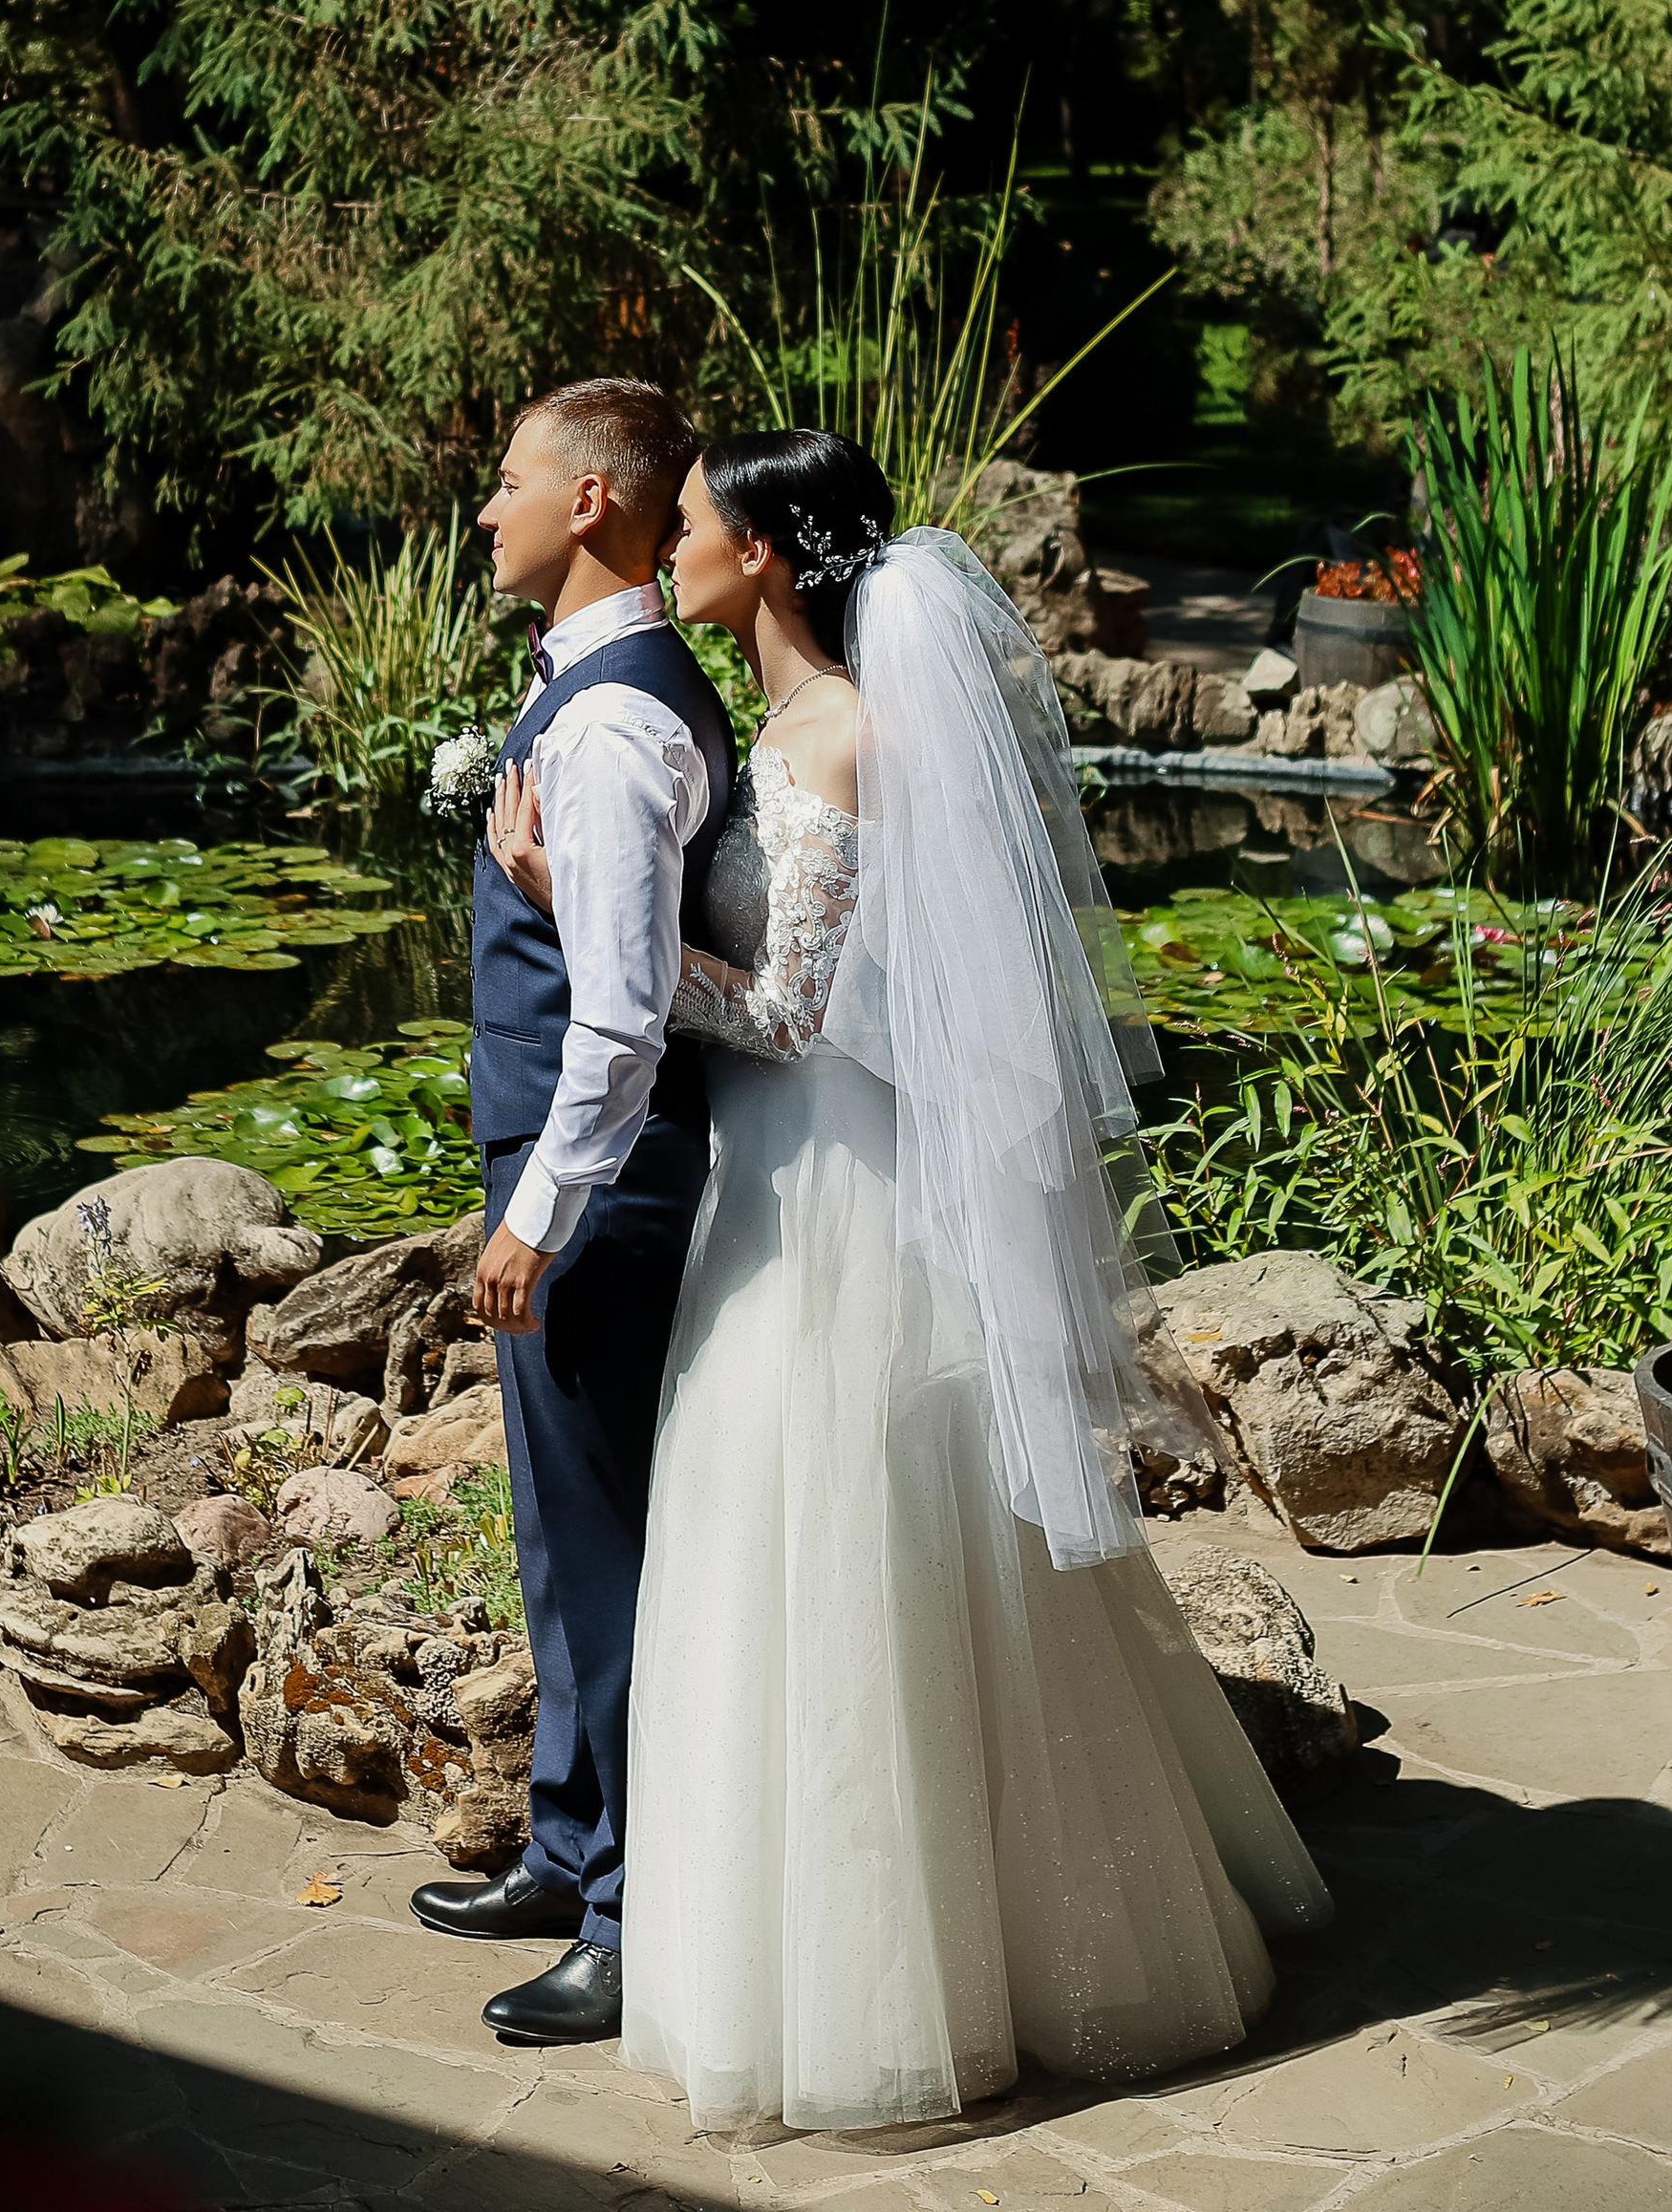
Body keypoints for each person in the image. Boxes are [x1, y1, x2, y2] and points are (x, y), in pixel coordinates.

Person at [486, 428, 1333, 2132]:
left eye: (695, 524)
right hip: (764, 1181)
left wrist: (580, 907)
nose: (671, 546)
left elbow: (791, 1012)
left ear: (763, 556)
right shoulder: (771, 724)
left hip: (836, 1198)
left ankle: (907, 1975)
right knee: (765, 1552)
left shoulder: (845, 736)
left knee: (849, 1549)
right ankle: (753, 1933)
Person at [409, 377, 737, 2051]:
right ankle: (566, 1842)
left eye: (511, 479)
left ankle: (629, 1920)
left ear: (593, 500)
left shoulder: (610, 726)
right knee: (555, 1531)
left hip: (593, 1185)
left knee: (605, 1558)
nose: (489, 509)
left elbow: (618, 1019)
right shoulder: (590, 690)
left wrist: (536, 1214)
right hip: (570, 1167)